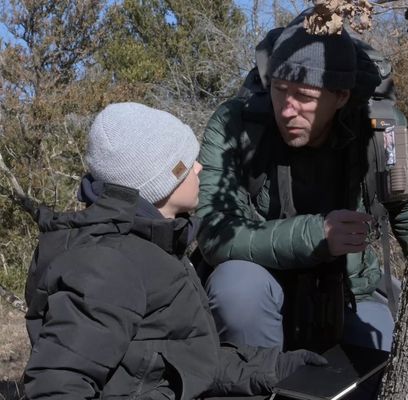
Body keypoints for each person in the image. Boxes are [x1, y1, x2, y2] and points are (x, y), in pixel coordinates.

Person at [24, 102, 326, 399]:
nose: (199, 167)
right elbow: (56, 384)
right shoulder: (108, 264)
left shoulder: (151, 246)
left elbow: (185, 361)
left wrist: (277, 368)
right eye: (186, 163)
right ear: (161, 180)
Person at [196, 10, 408, 354]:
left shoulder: (381, 131)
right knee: (236, 290)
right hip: (263, 282)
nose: (287, 109)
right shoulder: (238, 123)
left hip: (351, 287)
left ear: (341, 96)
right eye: (280, 90)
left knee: (389, 359)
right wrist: (317, 235)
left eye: (306, 97)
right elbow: (214, 232)